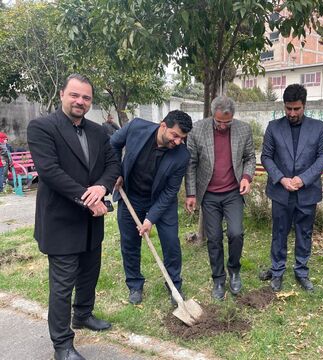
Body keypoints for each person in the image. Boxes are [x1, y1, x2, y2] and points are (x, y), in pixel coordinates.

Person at [27, 74, 120, 360]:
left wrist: (102, 186)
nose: (80, 101)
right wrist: (87, 197)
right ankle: (62, 345)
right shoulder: (41, 127)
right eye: (75, 95)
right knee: (62, 285)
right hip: (61, 221)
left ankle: (83, 315)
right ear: (62, 94)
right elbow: (50, 171)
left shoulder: (98, 131)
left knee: (90, 273)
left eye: (86, 98)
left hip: (92, 220)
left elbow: (113, 163)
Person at [110, 110, 192, 306]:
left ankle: (174, 285)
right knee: (129, 243)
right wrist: (115, 171)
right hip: (132, 195)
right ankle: (135, 285)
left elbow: (170, 192)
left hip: (162, 200)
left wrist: (150, 219)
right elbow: (112, 143)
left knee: (171, 242)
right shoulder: (136, 127)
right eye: (175, 135)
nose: (178, 141)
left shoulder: (182, 156)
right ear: (163, 126)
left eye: (182, 138)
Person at [259, 84, 323, 292]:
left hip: (307, 191)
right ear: (284, 106)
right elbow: (266, 157)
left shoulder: (319, 127)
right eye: (288, 108)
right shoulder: (273, 127)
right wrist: (281, 179)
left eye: (296, 109)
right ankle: (277, 271)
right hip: (281, 192)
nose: (292, 113)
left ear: (304, 105)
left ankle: (301, 272)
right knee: (279, 232)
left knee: (304, 233)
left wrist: (303, 179)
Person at [185, 96, 256, 300]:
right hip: (209, 194)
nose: (223, 126)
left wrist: (246, 177)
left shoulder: (244, 129)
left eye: (227, 122)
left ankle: (234, 270)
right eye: (219, 122)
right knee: (214, 238)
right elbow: (190, 164)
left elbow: (250, 157)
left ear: (232, 117)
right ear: (212, 115)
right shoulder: (198, 130)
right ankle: (218, 279)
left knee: (236, 233)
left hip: (233, 192)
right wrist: (191, 193)